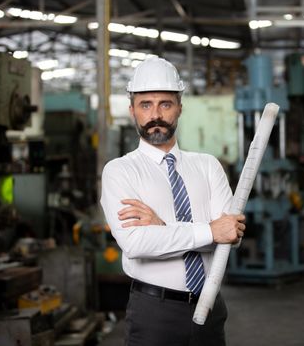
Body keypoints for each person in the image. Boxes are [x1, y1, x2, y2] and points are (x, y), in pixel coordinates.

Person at [100, 55, 246, 346]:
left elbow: (231, 235)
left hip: (211, 307)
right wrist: (209, 231)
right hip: (155, 313)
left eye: (165, 104)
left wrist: (163, 226)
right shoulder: (120, 171)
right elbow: (136, 244)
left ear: (179, 107)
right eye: (146, 105)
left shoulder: (208, 166)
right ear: (132, 111)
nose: (156, 114)